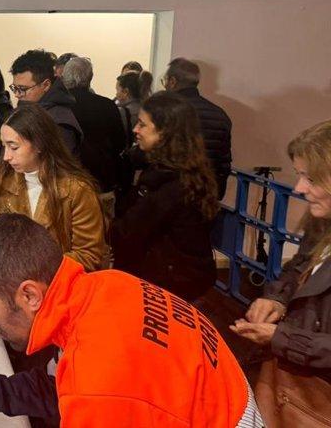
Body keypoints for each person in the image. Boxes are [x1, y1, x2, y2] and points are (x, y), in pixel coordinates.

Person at [0, 214, 261, 427]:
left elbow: (90, 389)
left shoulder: (96, 384)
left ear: (30, 295)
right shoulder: (107, 283)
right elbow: (59, 385)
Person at [0, 104, 108, 311]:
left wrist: (25, 266)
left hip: (61, 299)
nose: (6, 156)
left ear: (39, 144)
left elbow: (89, 256)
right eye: (4, 147)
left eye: (13, 147)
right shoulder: (8, 183)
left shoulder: (77, 191)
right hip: (19, 297)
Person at [231, 119, 331, 427]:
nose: (299, 188)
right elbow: (300, 267)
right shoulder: (323, 223)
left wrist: (282, 338)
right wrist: (277, 299)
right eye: (300, 175)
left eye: (310, 178)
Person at [111, 92, 219, 301]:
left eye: (142, 124)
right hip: (175, 281)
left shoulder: (169, 184)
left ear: (164, 133)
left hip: (163, 288)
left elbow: (127, 232)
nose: (135, 129)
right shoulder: (189, 172)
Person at [162, 57, 232, 199]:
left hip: (171, 193)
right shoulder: (220, 114)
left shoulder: (166, 112)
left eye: (164, 81)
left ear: (173, 82)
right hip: (206, 194)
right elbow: (223, 162)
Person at [61, 56, 126, 194]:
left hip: (66, 178)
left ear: (64, 77)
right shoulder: (107, 105)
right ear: (90, 77)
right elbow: (120, 143)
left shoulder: (58, 106)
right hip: (101, 178)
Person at [11, 49, 82, 155]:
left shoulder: (61, 123)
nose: (16, 94)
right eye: (14, 88)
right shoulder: (27, 108)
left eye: (23, 89)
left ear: (46, 85)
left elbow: (59, 164)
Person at [115, 70, 150, 145]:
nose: (116, 94)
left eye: (117, 90)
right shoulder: (147, 108)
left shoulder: (122, 113)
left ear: (125, 92)